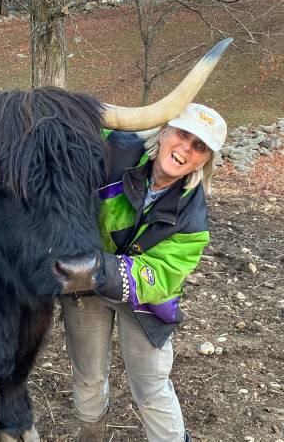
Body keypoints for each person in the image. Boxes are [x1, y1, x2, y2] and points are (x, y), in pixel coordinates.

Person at [61, 103, 227, 442]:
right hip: (85, 287)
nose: (185, 149)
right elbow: (69, 127)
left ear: (205, 161)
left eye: (199, 147)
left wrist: (94, 268)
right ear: (163, 131)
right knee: (88, 376)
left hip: (141, 297)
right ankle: (92, 435)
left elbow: (161, 274)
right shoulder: (116, 150)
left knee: (151, 386)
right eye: (183, 134)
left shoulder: (192, 222)